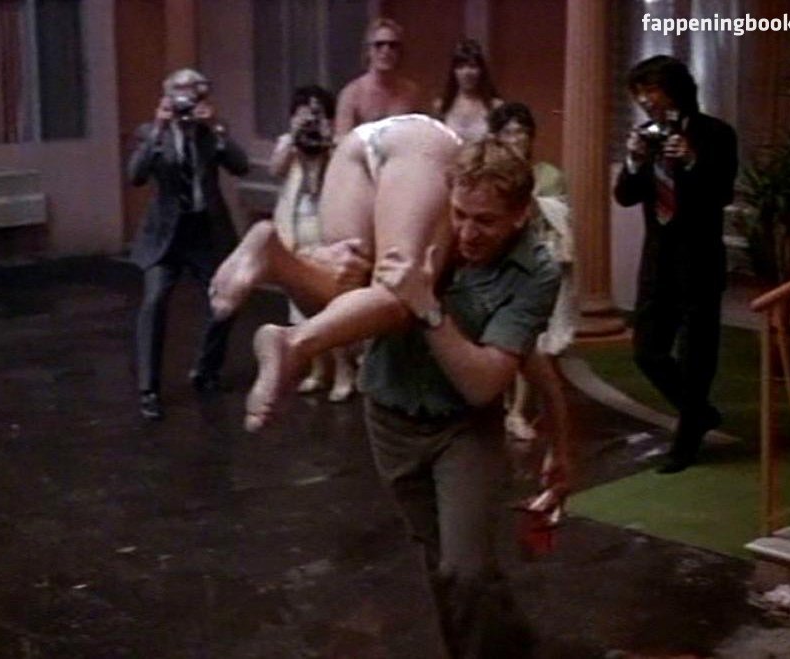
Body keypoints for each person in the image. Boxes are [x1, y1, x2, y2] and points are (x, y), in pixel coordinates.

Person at [365, 140, 559, 656]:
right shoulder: (428, 223)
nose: (468, 233)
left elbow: (485, 383)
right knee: (443, 564)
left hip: (464, 426)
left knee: (465, 568)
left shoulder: (536, 271)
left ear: (519, 215)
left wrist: (428, 308)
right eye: (460, 215)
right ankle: (505, 648)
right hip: (391, 415)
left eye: (486, 221)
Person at [209, 113, 462, 431]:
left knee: (346, 292)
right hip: (422, 145)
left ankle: (277, 257)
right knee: (405, 291)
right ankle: (293, 342)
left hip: (357, 147)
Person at [614, 55, 738, 473]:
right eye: (639, 92)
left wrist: (692, 161)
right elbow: (625, 196)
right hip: (658, 260)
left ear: (675, 89)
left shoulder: (716, 133)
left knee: (696, 356)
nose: (645, 100)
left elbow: (722, 193)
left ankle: (685, 443)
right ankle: (699, 413)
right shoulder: (646, 136)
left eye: (651, 90)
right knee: (647, 351)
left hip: (700, 260)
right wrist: (634, 161)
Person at [128, 68, 249, 420]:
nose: (185, 100)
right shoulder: (151, 132)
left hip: (204, 230)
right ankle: (148, 389)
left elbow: (240, 166)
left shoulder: (210, 131)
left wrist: (217, 129)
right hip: (165, 234)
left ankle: (206, 370)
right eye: (179, 92)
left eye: (193, 93)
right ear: (167, 96)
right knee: (154, 301)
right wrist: (159, 129)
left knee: (225, 301)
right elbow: (135, 176)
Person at [488, 102, 572, 448]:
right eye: (508, 132)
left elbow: (560, 215)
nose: (516, 138)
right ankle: (504, 403)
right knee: (499, 336)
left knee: (528, 338)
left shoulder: (548, 175)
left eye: (521, 131)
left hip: (534, 262)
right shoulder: (491, 174)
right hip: (497, 262)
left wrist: (535, 202)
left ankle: (518, 411)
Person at [269, 84, 356, 403]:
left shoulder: (338, 146)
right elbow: (276, 170)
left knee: (332, 306)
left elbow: (345, 175)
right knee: (303, 309)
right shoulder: (287, 143)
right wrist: (294, 138)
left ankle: (345, 371)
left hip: (326, 229)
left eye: (317, 112)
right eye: (302, 111)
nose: (310, 119)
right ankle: (319, 370)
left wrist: (330, 142)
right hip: (295, 231)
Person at [333, 17, 421, 138]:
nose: (386, 50)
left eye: (393, 45)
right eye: (379, 45)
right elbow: (342, 141)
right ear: (368, 50)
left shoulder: (410, 93)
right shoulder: (352, 95)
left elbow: (418, 135)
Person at [433, 38, 503, 143]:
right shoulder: (442, 106)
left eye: (472, 66)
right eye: (460, 67)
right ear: (454, 72)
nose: (467, 73)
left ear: (481, 71)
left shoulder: (495, 107)